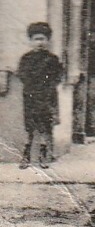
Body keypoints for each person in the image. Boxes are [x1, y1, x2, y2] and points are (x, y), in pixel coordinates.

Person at [16, 22, 64, 169]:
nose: (40, 42)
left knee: (45, 125)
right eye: (36, 39)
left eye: (43, 39)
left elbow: (57, 76)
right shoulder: (26, 59)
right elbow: (22, 75)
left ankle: (44, 156)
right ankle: (26, 156)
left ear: (48, 41)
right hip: (30, 95)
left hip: (48, 96)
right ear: (31, 41)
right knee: (30, 127)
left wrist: (48, 88)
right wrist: (32, 87)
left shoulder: (52, 59)